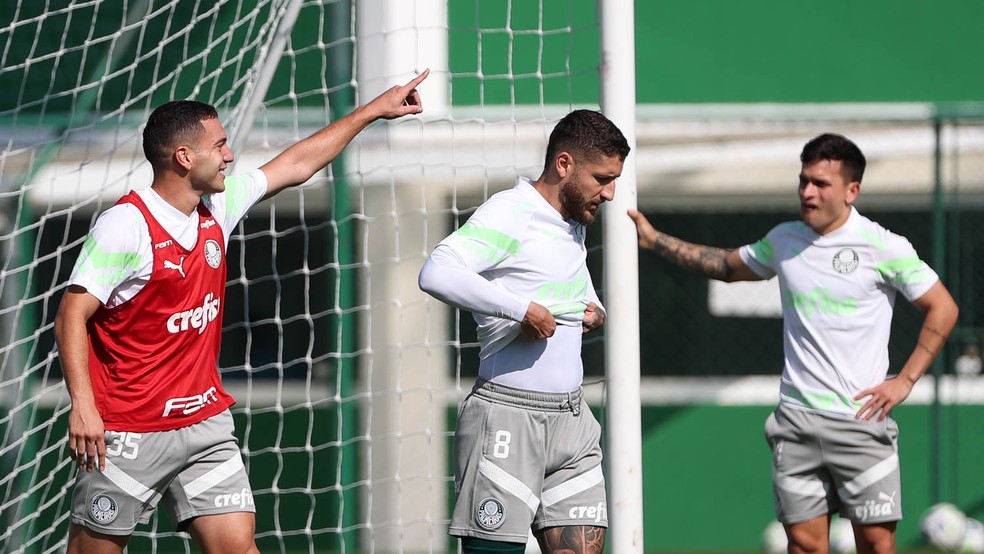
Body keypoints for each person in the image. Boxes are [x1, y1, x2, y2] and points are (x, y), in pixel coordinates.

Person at [52, 70, 429, 554]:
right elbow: (71, 316)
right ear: (185, 157)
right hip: (129, 429)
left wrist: (373, 110)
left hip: (204, 424)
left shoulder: (216, 207)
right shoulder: (125, 226)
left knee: (238, 547)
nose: (230, 154)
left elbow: (295, 164)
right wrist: (83, 405)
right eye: (220, 145)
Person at [628, 133, 959, 554]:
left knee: (876, 545)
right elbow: (726, 266)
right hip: (796, 422)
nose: (807, 191)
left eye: (820, 183)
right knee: (803, 546)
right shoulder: (783, 240)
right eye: (803, 180)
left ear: (851, 190)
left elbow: (943, 309)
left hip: (860, 422)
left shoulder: (884, 246)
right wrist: (653, 240)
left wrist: (905, 381)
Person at [418, 109, 629, 554]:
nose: (609, 193)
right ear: (564, 164)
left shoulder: (572, 222)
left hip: (572, 421)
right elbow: (436, 271)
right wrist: (522, 311)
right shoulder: (511, 212)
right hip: (507, 418)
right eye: (602, 178)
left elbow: (565, 280)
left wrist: (595, 310)